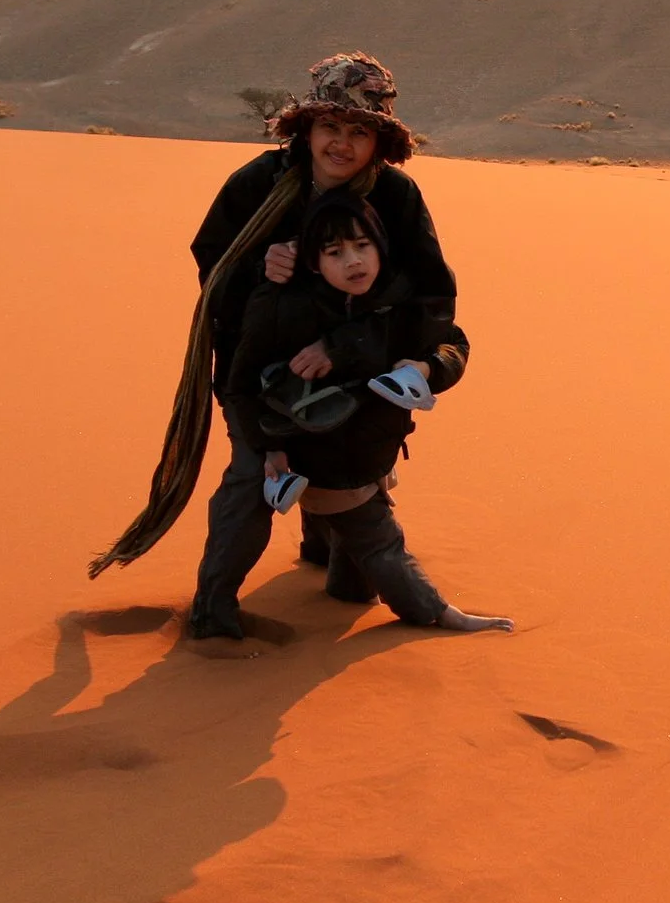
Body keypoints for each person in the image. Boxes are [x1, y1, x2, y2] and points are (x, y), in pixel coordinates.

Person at [181, 53, 458, 644]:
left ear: (379, 141)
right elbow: (212, 270)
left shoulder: (395, 197)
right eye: (331, 126)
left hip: (356, 376)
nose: (342, 143)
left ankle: (324, 550)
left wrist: (347, 343)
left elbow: (429, 295)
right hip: (257, 375)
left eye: (360, 130)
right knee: (255, 478)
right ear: (305, 128)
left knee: (352, 517)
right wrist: (260, 268)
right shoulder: (256, 184)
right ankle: (212, 614)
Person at [223, 195, 508, 635]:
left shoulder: (399, 297)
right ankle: (433, 612)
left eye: (362, 246)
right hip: (327, 459)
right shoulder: (282, 306)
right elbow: (241, 385)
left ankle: (332, 567)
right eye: (335, 253)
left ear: (380, 246)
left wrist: (429, 367)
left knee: (354, 586)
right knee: (379, 543)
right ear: (315, 264)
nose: (353, 261)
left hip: (373, 450)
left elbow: (453, 342)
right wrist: (269, 449)